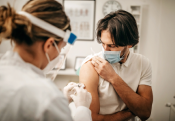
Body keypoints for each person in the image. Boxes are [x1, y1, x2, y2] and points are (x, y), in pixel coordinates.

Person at [0, 0, 92, 121]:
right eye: (61, 48)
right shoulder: (47, 96)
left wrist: (62, 100)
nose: (60, 54)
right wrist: (82, 109)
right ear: (48, 45)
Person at [79, 10, 153, 121]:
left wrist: (113, 77)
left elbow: (146, 113)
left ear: (129, 44)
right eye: (103, 43)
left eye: (111, 46)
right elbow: (92, 118)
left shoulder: (143, 63)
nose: (105, 50)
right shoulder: (90, 66)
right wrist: (132, 112)